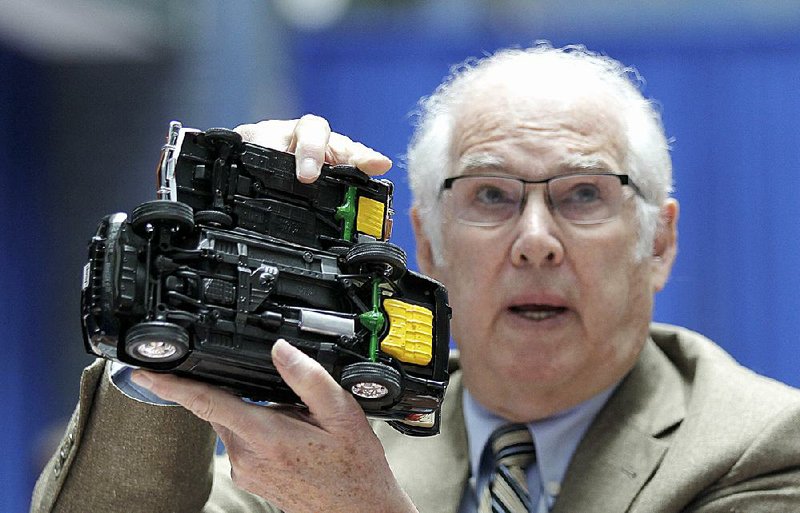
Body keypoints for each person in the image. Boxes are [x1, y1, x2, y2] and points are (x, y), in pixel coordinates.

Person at [31, 43, 800, 513]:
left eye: (584, 194)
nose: (536, 242)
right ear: (427, 247)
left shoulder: (757, 447)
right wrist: (177, 335)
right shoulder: (328, 441)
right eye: (491, 195)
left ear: (658, 243)